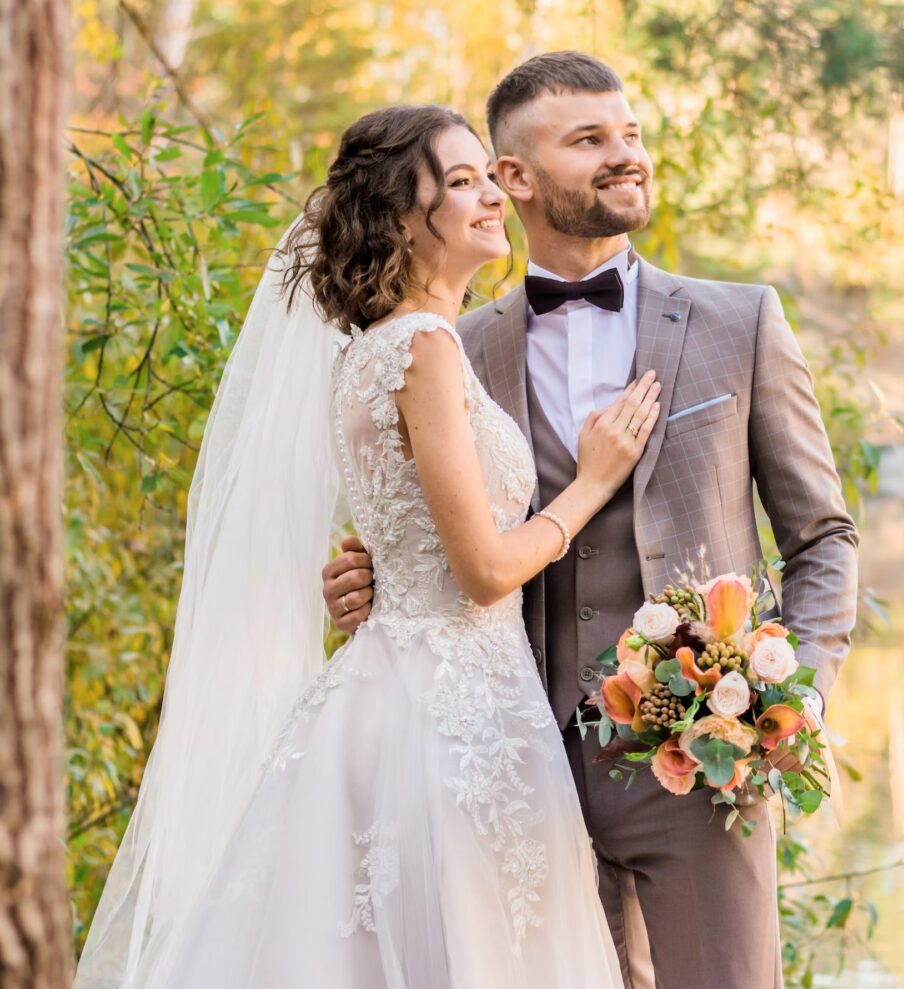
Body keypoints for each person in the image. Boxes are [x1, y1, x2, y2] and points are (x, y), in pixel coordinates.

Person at [75, 104, 656, 988]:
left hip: (403, 689)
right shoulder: (423, 347)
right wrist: (593, 480)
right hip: (454, 714)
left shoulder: (375, 351)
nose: (490, 196)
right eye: (459, 183)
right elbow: (482, 571)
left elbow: (410, 533)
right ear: (398, 216)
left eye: (485, 175)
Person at [324, 52, 860, 988]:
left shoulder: (742, 324)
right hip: (508, 764)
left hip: (698, 765)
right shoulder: (453, 339)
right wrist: (370, 575)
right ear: (515, 179)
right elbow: (438, 520)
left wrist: (792, 697)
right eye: (589, 140)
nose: (625, 156)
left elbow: (823, 537)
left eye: (631, 135)